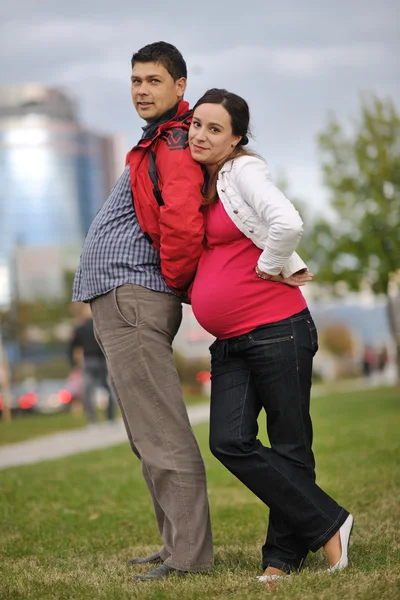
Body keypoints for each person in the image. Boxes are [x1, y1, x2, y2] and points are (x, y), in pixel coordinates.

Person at [188, 88, 354, 582]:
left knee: (289, 444)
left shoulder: (243, 171)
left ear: (236, 138)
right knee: (229, 441)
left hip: (277, 329)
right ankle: (330, 522)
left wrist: (264, 269)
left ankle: (280, 558)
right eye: (196, 124)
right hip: (231, 343)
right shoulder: (200, 180)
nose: (200, 134)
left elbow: (287, 222)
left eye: (214, 129)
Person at [72, 42, 213, 581]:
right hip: (120, 297)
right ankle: (174, 543)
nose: (141, 90)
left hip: (135, 296)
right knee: (143, 432)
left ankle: (189, 557)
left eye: (153, 81)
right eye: (135, 80)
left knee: (160, 430)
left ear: (180, 87)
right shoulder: (156, 140)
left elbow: (181, 225)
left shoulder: (175, 141)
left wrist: (167, 285)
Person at [69, 304, 115, 425]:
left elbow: (73, 346)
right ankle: (110, 418)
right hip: (101, 360)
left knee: (89, 391)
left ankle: (92, 420)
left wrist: (73, 363)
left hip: (88, 360)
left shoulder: (80, 328)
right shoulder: (100, 327)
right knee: (107, 389)